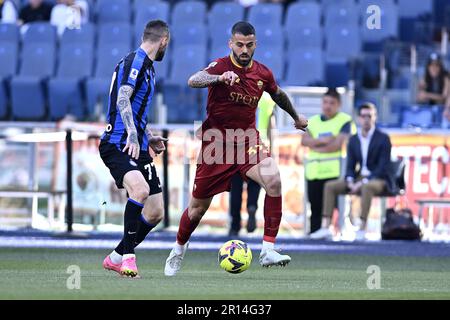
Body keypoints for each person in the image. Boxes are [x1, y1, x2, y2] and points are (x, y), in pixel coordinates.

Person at [164, 21, 308, 276]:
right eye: (239, 44)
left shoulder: (263, 74)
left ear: (255, 45)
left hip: (246, 140)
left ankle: (267, 250)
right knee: (197, 209)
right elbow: (193, 80)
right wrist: (219, 78)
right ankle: (177, 250)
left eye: (249, 45)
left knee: (273, 180)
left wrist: (296, 117)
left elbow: (278, 95)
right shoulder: (220, 66)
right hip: (216, 144)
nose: (244, 49)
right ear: (231, 43)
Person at [99, 20, 170, 278]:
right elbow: (122, 98)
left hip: (137, 144)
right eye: (166, 45)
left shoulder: (149, 68)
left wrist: (147, 136)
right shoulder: (135, 62)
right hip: (117, 143)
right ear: (164, 41)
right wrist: (131, 133)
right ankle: (128, 259)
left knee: (155, 212)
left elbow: (137, 109)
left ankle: (116, 256)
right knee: (139, 190)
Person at [312, 103, 395, 241]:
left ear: (375, 117)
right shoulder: (354, 139)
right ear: (359, 118)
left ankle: (362, 228)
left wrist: (363, 182)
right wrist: (350, 180)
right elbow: (350, 166)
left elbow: (383, 167)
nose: (366, 119)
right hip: (358, 178)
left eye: (370, 116)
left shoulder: (383, 138)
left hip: (379, 179)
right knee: (330, 186)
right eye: (363, 116)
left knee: (367, 187)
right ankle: (326, 227)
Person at [301, 88, 355, 236]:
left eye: (332, 103)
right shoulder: (312, 121)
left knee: (339, 208)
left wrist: (316, 144)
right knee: (315, 208)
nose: (327, 106)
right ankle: (314, 239)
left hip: (335, 173)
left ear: (339, 104)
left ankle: (339, 235)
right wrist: (324, 140)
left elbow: (337, 145)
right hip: (314, 173)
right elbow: (304, 141)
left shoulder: (345, 121)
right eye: (325, 102)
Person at [228, 92, 275, 236]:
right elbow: (271, 126)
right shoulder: (267, 99)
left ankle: (235, 225)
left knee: (235, 186)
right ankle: (252, 206)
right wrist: (270, 150)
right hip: (258, 144)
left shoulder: (236, 94)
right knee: (255, 182)